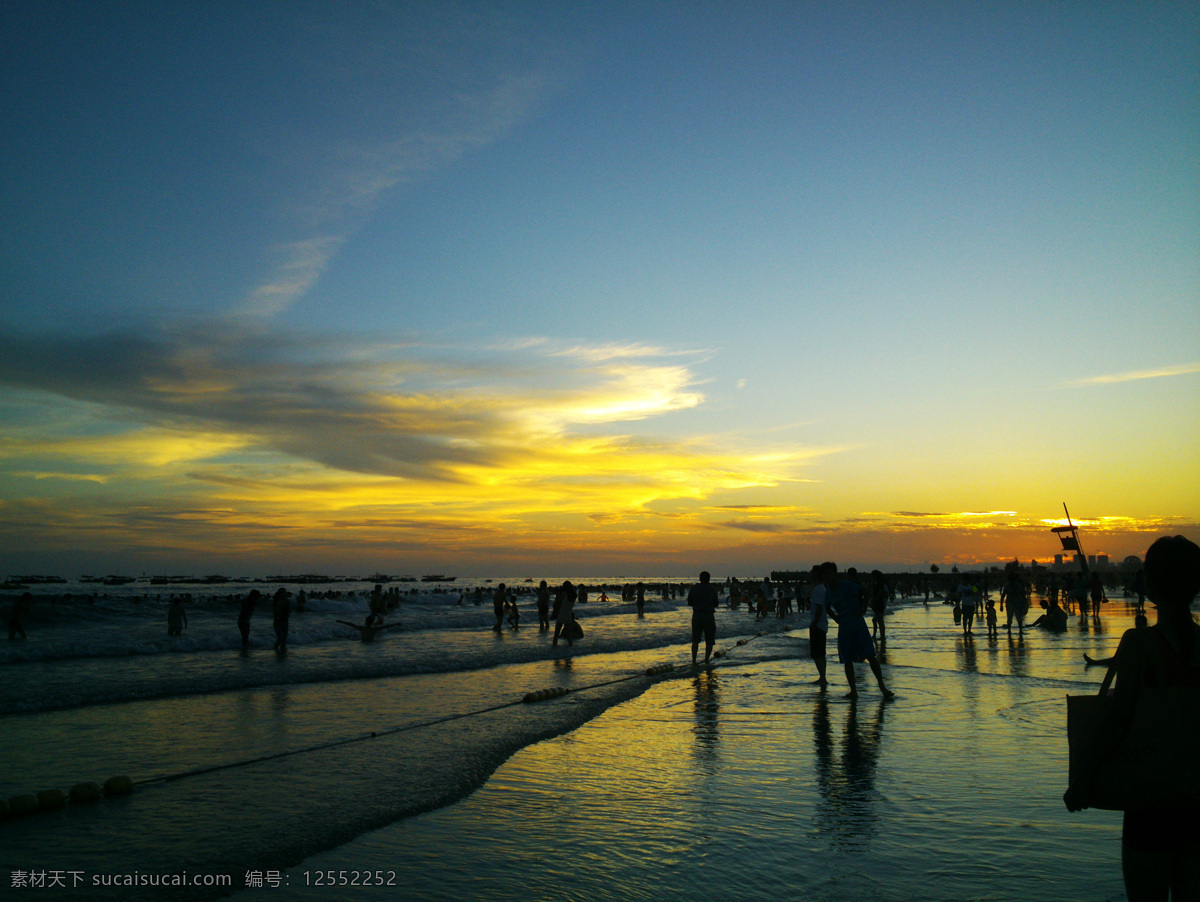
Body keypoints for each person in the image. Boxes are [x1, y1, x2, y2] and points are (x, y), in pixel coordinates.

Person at [1064, 535, 1200, 901]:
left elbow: (1119, 719)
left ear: (1151, 583)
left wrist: (1083, 779)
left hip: (1152, 803)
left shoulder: (1140, 643)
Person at [826, 564, 893, 700]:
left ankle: (882, 687)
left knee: (870, 655)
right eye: (825, 575)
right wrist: (835, 618)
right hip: (844, 629)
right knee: (847, 661)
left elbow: (866, 591)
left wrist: (863, 609)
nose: (827, 577)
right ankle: (853, 691)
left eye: (829, 573)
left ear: (835, 573)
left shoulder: (846, 585)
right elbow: (827, 607)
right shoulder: (828, 592)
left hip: (858, 626)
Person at [687, 571, 720, 666]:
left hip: (697, 615)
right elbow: (716, 603)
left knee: (695, 639)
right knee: (709, 639)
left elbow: (689, 602)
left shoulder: (694, 588)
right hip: (708, 615)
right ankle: (706, 659)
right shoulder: (712, 589)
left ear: (699, 578)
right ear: (709, 579)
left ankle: (694, 660)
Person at [809, 563, 832, 688]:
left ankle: (823, 678)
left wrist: (814, 624)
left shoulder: (818, 589)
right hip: (822, 624)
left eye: (812, 573)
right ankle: (823, 677)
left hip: (818, 625)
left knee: (817, 654)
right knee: (821, 654)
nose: (810, 575)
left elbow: (818, 608)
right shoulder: (822, 588)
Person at [1001, 571, 1029, 637]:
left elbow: (1022, 595)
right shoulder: (1007, 586)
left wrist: (1025, 604)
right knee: (1010, 617)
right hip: (1010, 603)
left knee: (1019, 617)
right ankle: (1009, 630)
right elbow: (1003, 596)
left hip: (1017, 603)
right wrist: (1001, 605)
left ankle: (1020, 629)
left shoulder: (1018, 585)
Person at [552, 580, 577, 647]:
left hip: (561, 614)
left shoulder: (565, 594)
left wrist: (557, 594)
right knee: (568, 635)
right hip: (568, 615)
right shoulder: (574, 595)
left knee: (556, 634)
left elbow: (558, 601)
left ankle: (554, 648)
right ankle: (570, 648)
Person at [869, 570, 888, 641]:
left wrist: (875, 599)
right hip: (879, 603)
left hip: (879, 603)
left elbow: (881, 592)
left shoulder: (880, 584)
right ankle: (876, 635)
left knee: (879, 620)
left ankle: (882, 636)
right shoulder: (878, 583)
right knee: (875, 620)